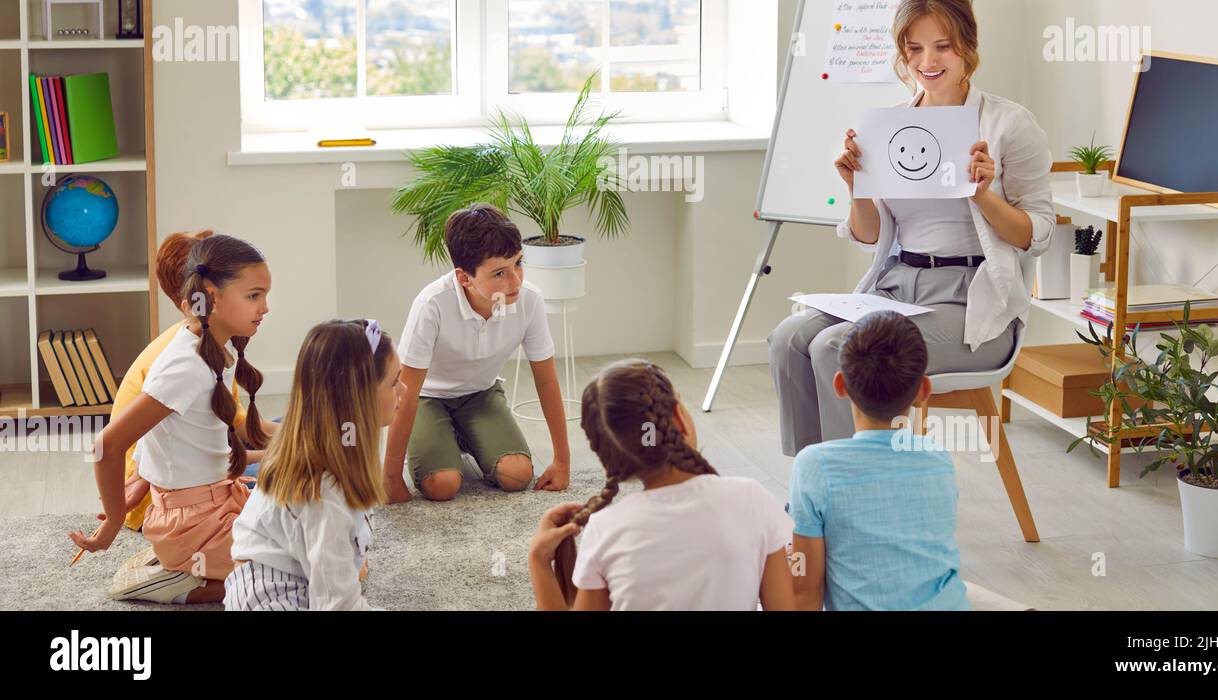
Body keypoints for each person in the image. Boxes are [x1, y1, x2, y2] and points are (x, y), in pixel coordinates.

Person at [770, 0, 1054, 455]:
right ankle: (814, 482)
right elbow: (869, 236)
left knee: (836, 348)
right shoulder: (892, 125)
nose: (928, 62)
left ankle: (851, 490)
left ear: (969, 43)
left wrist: (983, 194)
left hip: (971, 306)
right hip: (897, 286)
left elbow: (1037, 236)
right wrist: (856, 188)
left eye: (943, 46)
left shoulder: (1009, 125)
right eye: (915, 48)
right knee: (789, 337)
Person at [70, 235, 272, 604]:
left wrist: (144, 478)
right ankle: (180, 585)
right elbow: (106, 445)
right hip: (193, 527)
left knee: (325, 539)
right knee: (323, 569)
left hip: (215, 503)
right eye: (254, 296)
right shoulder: (187, 365)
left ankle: (196, 570)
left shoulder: (209, 347)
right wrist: (113, 524)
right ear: (212, 296)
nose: (265, 307)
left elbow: (168, 432)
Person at [528, 359, 794, 611]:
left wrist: (539, 560)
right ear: (678, 419)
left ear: (608, 455)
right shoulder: (752, 499)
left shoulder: (606, 530)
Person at [384, 204, 571, 502]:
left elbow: (546, 382)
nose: (515, 282)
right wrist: (391, 478)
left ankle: (465, 435)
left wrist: (562, 461)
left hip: (481, 395)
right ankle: (443, 438)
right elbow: (406, 391)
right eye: (499, 273)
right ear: (464, 277)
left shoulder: (530, 301)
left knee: (517, 475)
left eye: (518, 264)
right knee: (442, 486)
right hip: (426, 399)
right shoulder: (431, 305)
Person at [788, 311, 970, 610]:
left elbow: (805, 592)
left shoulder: (814, 465)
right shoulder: (938, 458)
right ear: (923, 391)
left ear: (840, 385)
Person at [225, 319, 401, 611]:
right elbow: (338, 606)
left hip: (281, 580)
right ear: (360, 397)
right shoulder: (325, 494)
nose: (403, 390)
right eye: (394, 382)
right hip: (273, 598)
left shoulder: (336, 455)